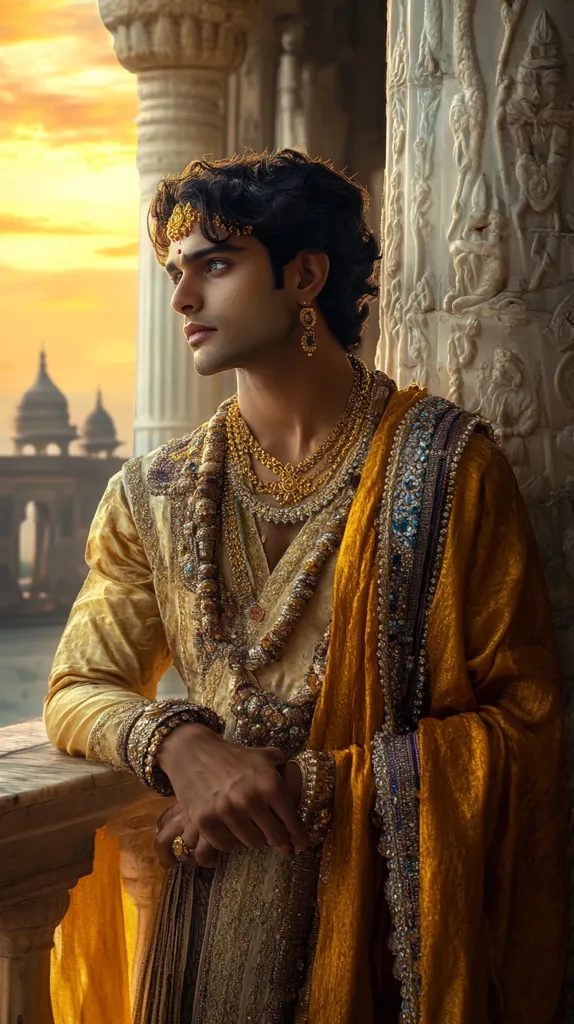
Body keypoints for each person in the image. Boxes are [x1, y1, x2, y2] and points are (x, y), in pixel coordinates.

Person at [44, 149, 566, 1024]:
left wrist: (306, 785)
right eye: (176, 273)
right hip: (205, 929)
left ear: (305, 276)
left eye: (215, 265)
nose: (182, 299)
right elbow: (77, 685)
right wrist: (184, 747)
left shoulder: (447, 470)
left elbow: (524, 723)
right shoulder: (153, 494)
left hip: (380, 945)